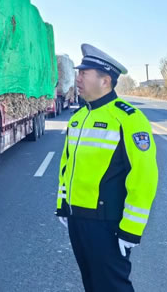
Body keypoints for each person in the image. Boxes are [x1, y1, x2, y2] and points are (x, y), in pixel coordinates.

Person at [56, 44, 158, 292]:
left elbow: (144, 176)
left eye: (84, 73)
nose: (77, 79)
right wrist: (63, 205)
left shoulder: (128, 119)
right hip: (78, 219)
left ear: (105, 80)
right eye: (78, 73)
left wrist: (131, 229)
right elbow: (66, 167)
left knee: (112, 287)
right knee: (91, 284)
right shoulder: (78, 118)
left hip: (107, 224)